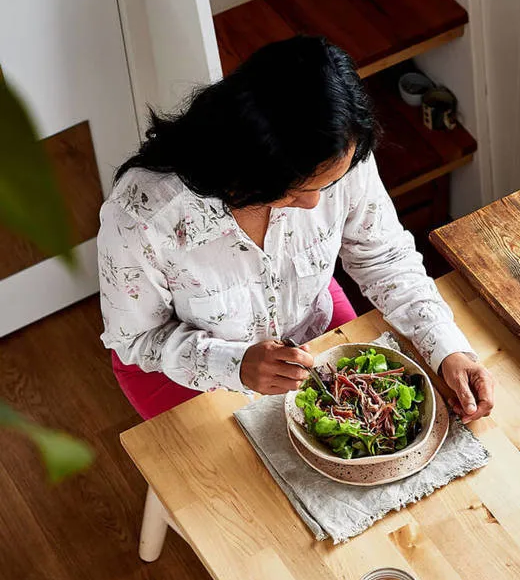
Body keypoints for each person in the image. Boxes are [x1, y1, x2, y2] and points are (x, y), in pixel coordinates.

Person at [98, 35, 494, 423]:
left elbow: (385, 258)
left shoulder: (343, 152)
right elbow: (136, 339)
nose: (315, 204)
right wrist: (234, 364)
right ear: (249, 164)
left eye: (327, 186)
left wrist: (447, 348)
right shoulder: (141, 217)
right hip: (182, 368)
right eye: (295, 192)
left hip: (307, 323)